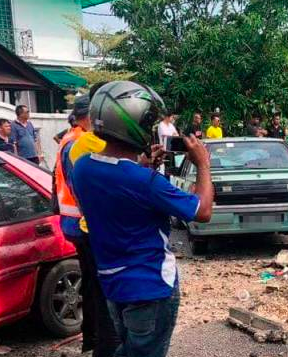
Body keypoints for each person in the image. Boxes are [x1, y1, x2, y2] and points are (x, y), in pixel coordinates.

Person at [72, 81, 214, 357]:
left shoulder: (83, 168)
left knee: (127, 348)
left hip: (113, 283)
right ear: (131, 124)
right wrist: (203, 164)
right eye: (148, 125)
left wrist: (143, 166)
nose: (151, 133)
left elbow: (117, 180)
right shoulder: (145, 182)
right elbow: (203, 211)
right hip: (151, 287)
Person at [53, 94, 118, 357]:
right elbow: (84, 186)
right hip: (83, 224)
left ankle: (92, 340)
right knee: (102, 290)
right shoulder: (80, 143)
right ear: (90, 116)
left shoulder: (68, 138)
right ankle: (103, 344)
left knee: (92, 285)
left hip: (73, 223)